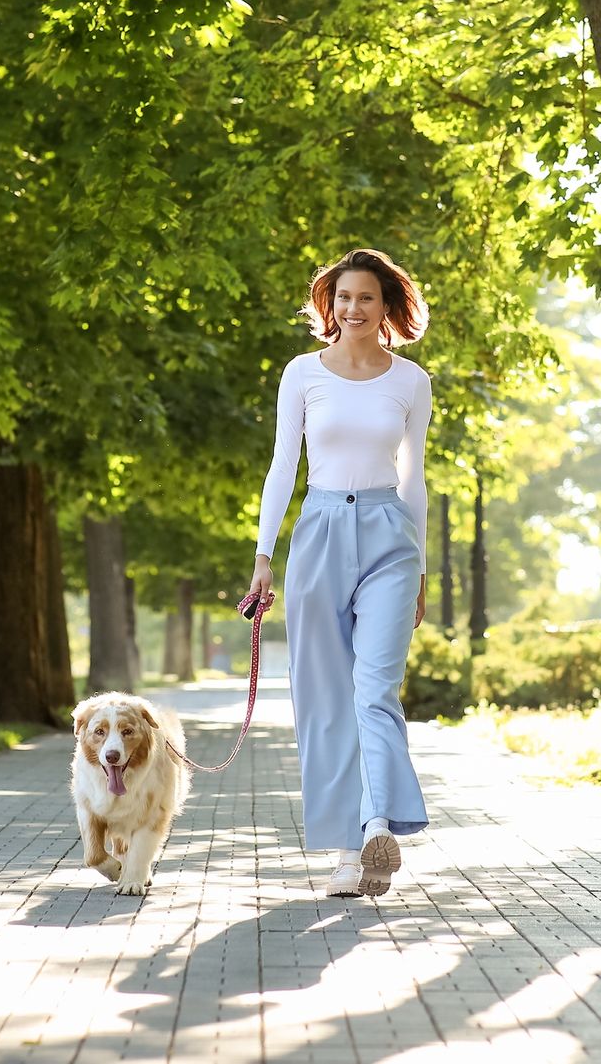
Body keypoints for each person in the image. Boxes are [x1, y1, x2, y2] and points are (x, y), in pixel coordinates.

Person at [248, 247, 432, 898]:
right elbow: (280, 467)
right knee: (325, 699)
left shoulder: (409, 381)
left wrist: (421, 571)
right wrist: (263, 555)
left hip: (388, 536)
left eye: (366, 298)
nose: (353, 308)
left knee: (373, 688)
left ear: (387, 309)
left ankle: (376, 822)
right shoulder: (302, 373)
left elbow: (413, 479)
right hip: (319, 532)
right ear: (330, 305)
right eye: (343, 297)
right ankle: (348, 854)